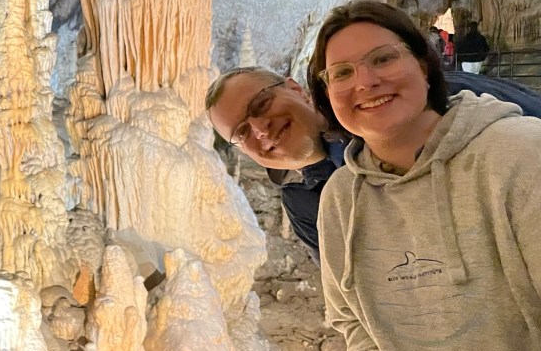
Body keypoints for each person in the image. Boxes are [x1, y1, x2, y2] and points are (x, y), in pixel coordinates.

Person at [308, 0, 541, 351]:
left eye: (383, 58)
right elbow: (351, 321)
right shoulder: (340, 199)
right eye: (341, 72)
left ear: (424, 63)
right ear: (326, 95)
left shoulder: (523, 157)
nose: (365, 81)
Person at [204, 55, 541, 264]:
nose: (260, 128)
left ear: (295, 89)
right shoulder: (304, 203)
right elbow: (350, 296)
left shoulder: (424, 101)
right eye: (242, 132)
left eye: (262, 104)